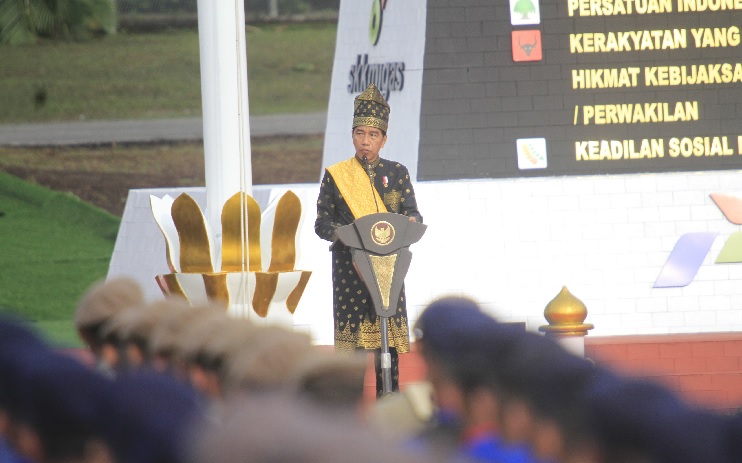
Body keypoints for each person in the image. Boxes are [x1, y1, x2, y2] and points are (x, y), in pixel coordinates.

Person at [315, 82, 423, 398]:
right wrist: (346, 234)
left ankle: (389, 407)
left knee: (385, 352)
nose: (366, 142)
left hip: (388, 270)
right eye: (360, 134)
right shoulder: (337, 176)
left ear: (384, 139)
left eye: (373, 136)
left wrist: (410, 224)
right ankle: (347, 417)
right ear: (352, 136)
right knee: (352, 359)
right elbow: (321, 223)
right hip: (350, 271)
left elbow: (413, 215)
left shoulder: (398, 173)